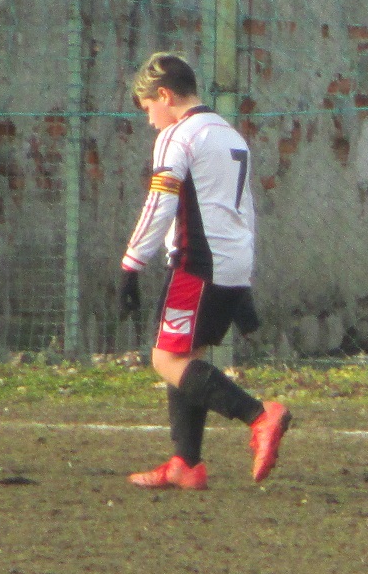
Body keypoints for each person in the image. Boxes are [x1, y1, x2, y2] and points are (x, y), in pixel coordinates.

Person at [115, 52, 288, 491]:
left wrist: (132, 264)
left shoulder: (178, 136)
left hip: (197, 264)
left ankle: (259, 416)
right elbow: (241, 209)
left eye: (148, 108)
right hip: (231, 263)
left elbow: (160, 203)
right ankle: (186, 463)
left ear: (165, 95)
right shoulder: (230, 134)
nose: (150, 120)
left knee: (165, 359)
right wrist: (243, 283)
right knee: (183, 353)